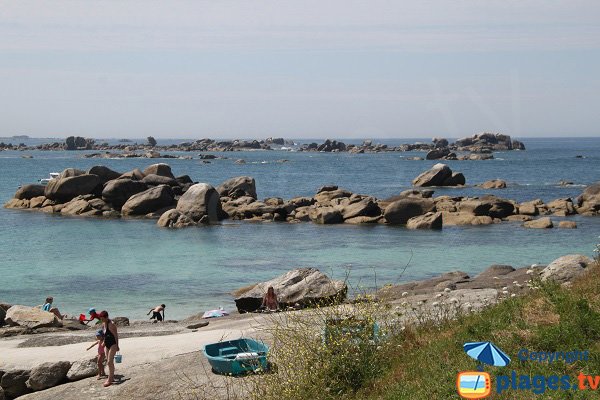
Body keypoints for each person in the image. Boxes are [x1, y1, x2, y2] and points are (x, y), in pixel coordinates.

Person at [99, 310, 119, 387]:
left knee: (109, 362)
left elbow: (116, 336)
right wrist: (104, 342)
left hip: (113, 344)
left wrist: (117, 346)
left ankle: (110, 379)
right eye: (101, 319)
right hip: (107, 344)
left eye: (103, 319)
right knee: (109, 361)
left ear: (107, 317)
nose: (102, 320)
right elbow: (105, 334)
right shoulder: (103, 323)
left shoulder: (112, 324)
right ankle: (112, 377)